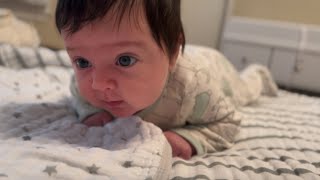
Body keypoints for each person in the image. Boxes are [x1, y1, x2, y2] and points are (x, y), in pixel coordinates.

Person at [55, 0, 278, 160]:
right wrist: (91, 112)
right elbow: (79, 96)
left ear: (172, 52)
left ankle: (258, 74)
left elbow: (228, 121)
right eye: (83, 62)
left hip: (217, 68)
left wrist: (190, 137)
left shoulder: (193, 86)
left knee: (247, 90)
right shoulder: (84, 83)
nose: (98, 84)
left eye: (124, 60)